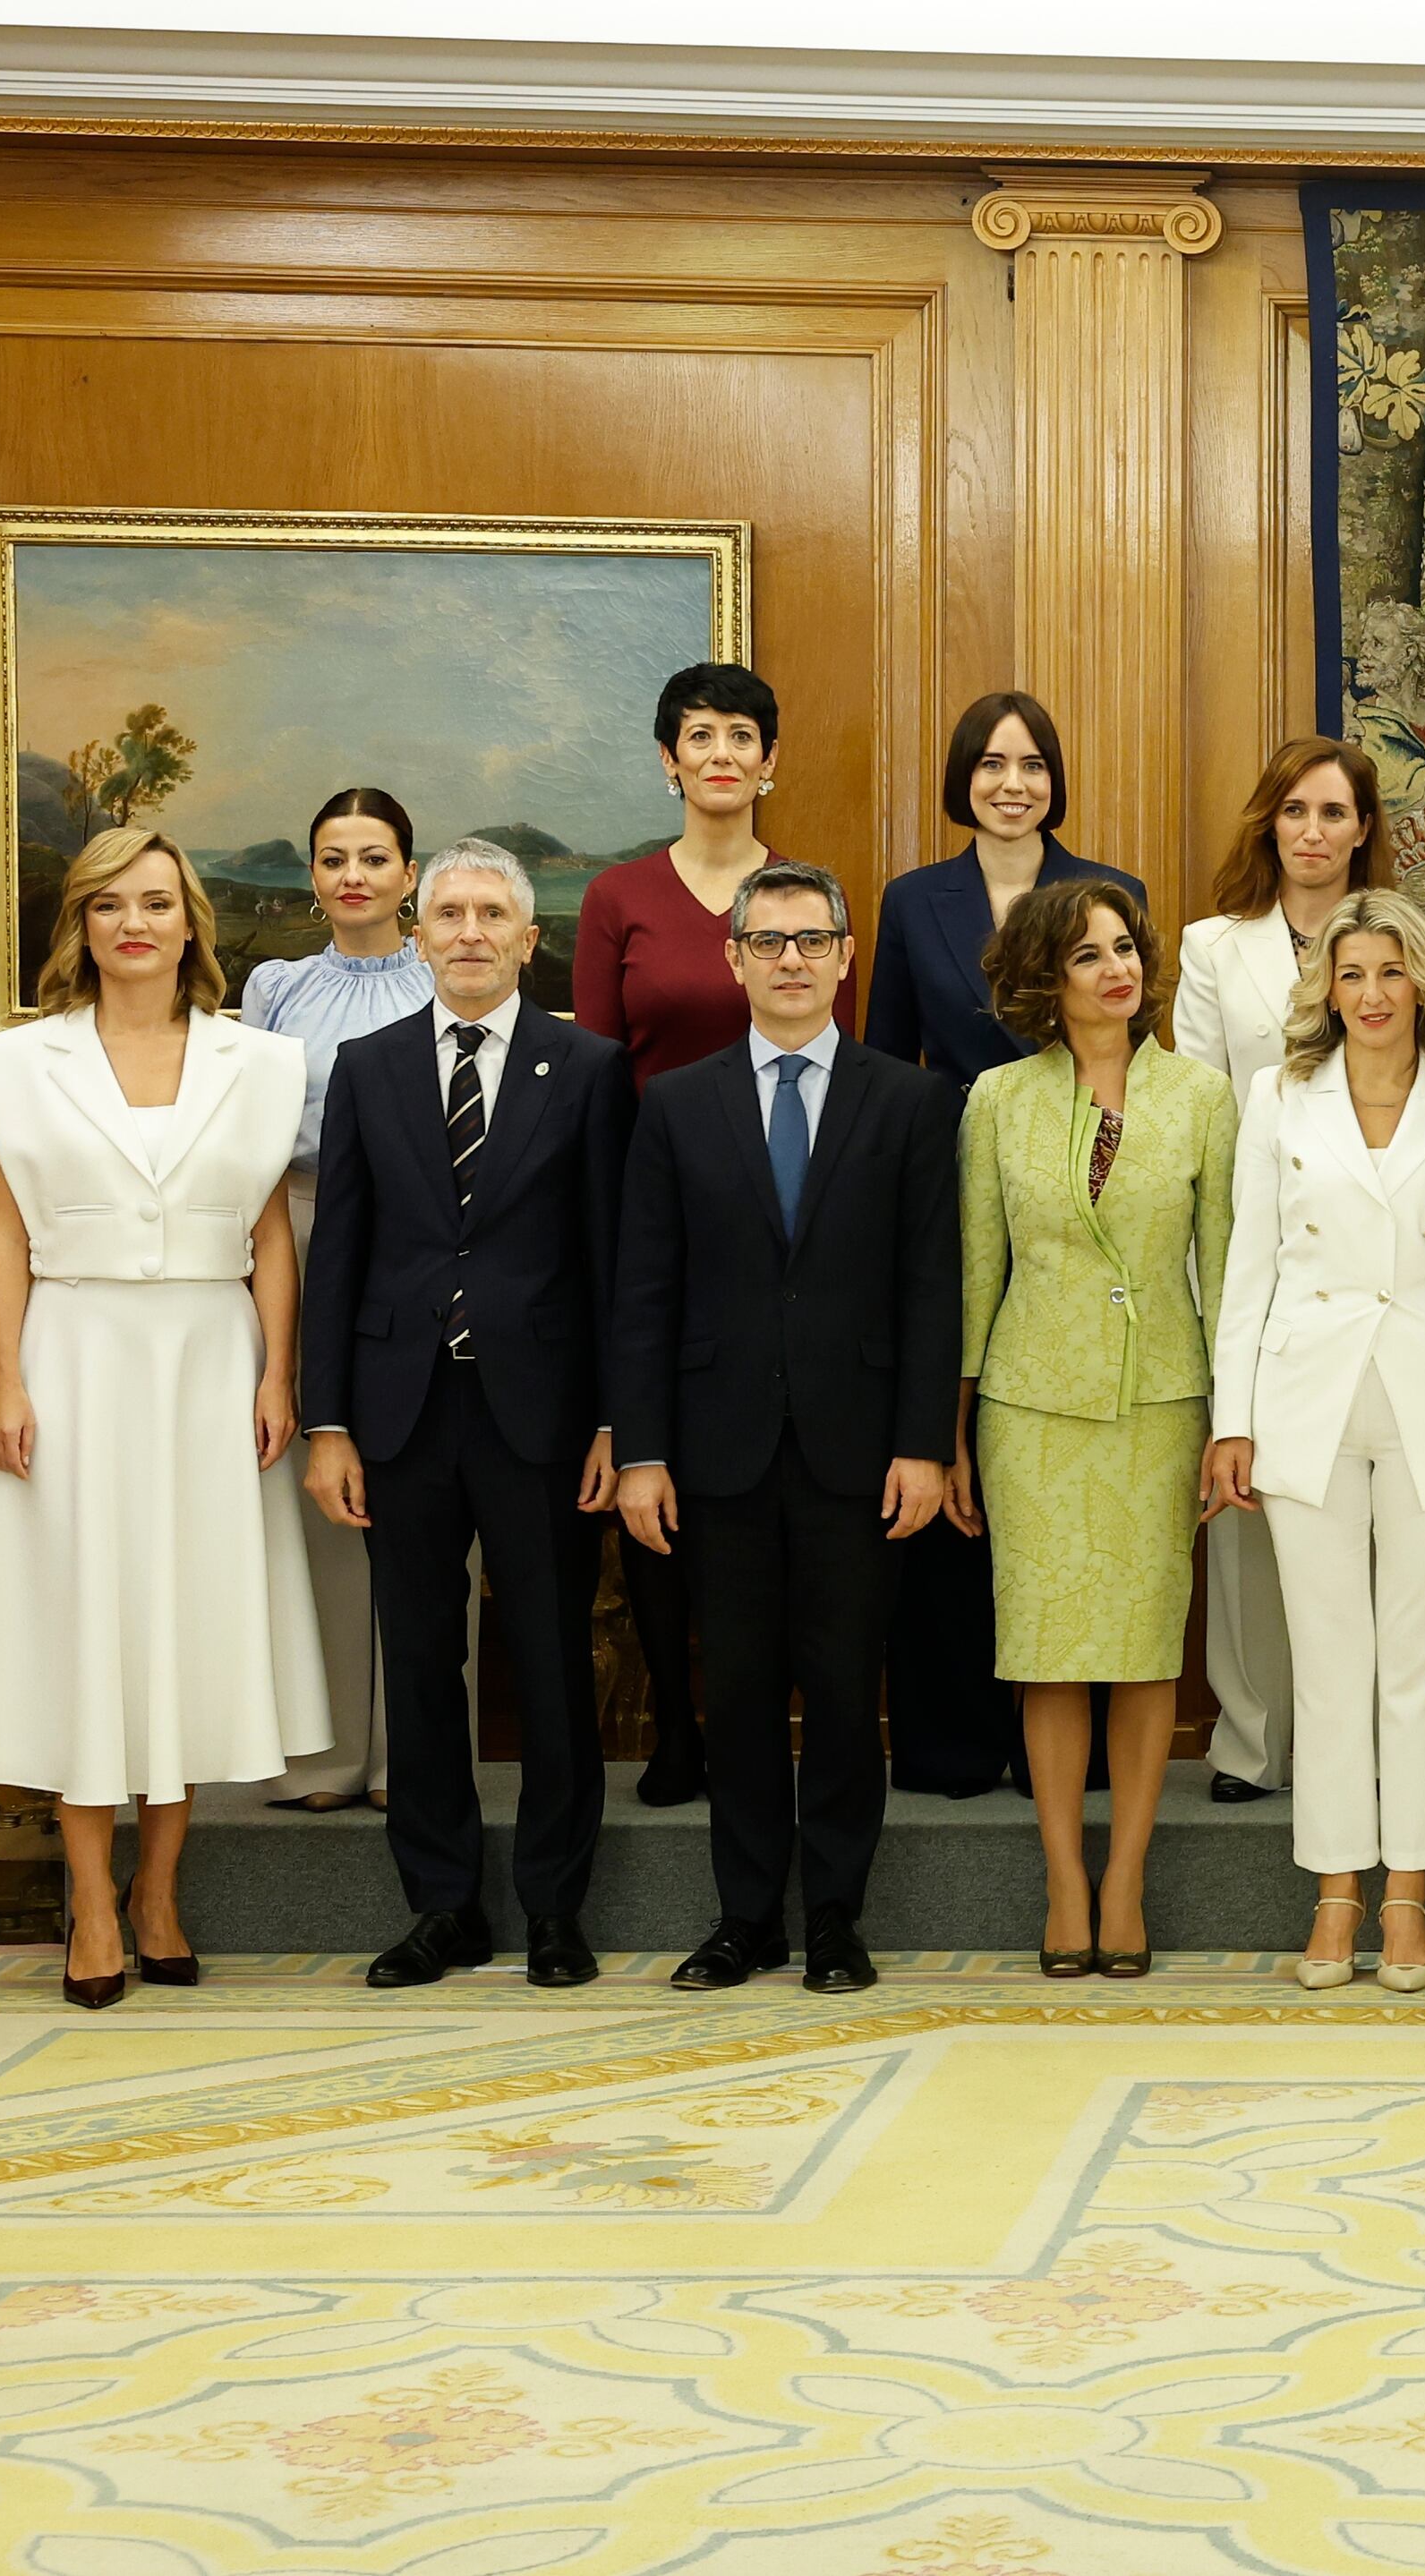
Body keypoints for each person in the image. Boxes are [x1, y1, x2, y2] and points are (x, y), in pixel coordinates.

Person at [0, 831, 326, 2009]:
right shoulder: (16, 1062)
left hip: (210, 1359)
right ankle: (92, 1903)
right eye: (110, 903)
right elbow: (5, 1235)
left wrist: (276, 1378)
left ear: (191, 922)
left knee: (183, 1620)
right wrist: (7, 1377)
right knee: (87, 1619)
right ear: (83, 927)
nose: (135, 921)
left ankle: (160, 1890)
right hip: (75, 1354)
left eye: (157, 901)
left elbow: (269, 1237)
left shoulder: (260, 1064)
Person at [608, 861, 961, 1996]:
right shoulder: (674, 1103)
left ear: (847, 957)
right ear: (734, 960)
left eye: (813, 940)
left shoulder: (907, 1102)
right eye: (769, 941)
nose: (792, 960)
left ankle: (834, 1919)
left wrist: (924, 1442)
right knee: (743, 1693)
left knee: (849, 1691)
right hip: (715, 1452)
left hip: (861, 1453)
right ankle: (744, 1916)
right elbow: (645, 1289)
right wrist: (644, 1449)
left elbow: (929, 1287)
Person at [296, 840, 632, 1989]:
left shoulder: (586, 1067)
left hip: (540, 1415)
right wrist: (326, 1422)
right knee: (422, 1665)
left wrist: (610, 1423)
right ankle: (440, 1906)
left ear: (530, 940)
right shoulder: (369, 1065)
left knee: (547, 1662)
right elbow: (334, 1254)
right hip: (399, 1416)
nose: (473, 930)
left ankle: (552, 1907)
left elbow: (611, 1262)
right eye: (451, 912)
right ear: (419, 931)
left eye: (495, 913)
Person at [1211, 891, 1425, 1993]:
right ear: (1326, 989)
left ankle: (1408, 1899)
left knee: (1420, 1664)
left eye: (1391, 972)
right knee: (1331, 1664)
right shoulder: (1277, 1098)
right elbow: (1248, 1269)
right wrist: (1232, 1421)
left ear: (1422, 983)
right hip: (1306, 1403)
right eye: (1352, 975)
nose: (1373, 994)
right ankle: (1334, 1891)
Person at [953, 879, 1234, 1978]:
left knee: (1144, 1646)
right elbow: (980, 1269)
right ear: (1044, 979)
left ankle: (1127, 1882)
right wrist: (957, 1426)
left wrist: (1231, 1420)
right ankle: (1065, 1879)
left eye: (1126, 949)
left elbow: (1227, 1268)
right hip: (1031, 1403)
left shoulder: (1204, 1097)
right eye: (1087, 956)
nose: (1117, 969)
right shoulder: (995, 1100)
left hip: (1162, 1400)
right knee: (1049, 1652)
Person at [866, 691, 1145, 1801]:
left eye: (1031, 762)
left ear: (1054, 777)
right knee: (954, 1431)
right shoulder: (910, 899)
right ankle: (947, 1740)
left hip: (1077, 1199)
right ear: (962, 779)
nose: (1011, 782)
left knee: (1061, 1472)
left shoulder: (1105, 892)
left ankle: (1058, 1745)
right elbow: (888, 1053)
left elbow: (1135, 1037)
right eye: (989, 763)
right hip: (948, 1182)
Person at [574, 662, 793, 1813]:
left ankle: (755, 1718)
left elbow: (829, 1069)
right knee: (651, 1473)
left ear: (768, 761)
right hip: (652, 1220)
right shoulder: (618, 897)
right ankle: (674, 1726)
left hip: (778, 1225)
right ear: (668, 760)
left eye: (740, 734)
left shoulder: (798, 894)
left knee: (762, 1483)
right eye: (697, 735)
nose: (719, 752)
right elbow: (599, 1079)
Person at [1170, 736, 1387, 1805]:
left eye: (1333, 813)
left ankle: (1360, 1746)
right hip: (1254, 1253)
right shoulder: (1214, 947)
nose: (1312, 832)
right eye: (1294, 811)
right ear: (1270, 823)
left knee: (1368, 1513)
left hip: (1379, 1260)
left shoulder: (1395, 939)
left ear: (1361, 830)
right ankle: (1252, 1739)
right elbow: (1206, 1113)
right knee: (1253, 1501)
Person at [244, 787, 436, 1815]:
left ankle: (415, 1752)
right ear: (313, 875)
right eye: (332, 858)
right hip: (304, 1229)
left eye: (373, 856)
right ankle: (322, 1756)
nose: (352, 874)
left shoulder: (448, 969)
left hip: (427, 1240)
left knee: (426, 1485)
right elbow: (248, 1134)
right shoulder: (276, 986)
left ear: (411, 871)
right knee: (319, 1488)